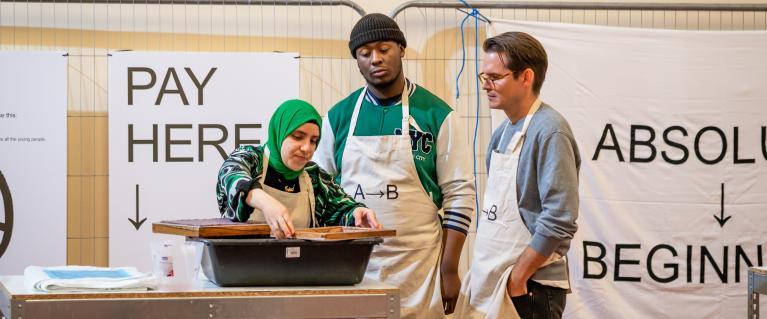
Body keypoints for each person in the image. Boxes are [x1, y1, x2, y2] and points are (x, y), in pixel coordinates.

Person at [314, 13, 476, 318]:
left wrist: (450, 269)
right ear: (357, 60)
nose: (375, 59)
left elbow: (460, 195)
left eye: (384, 48)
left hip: (419, 270)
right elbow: (319, 190)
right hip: (354, 268)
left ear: (401, 49)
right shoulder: (338, 117)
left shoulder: (437, 115)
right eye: (365, 53)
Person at [455, 32, 581, 319]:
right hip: (494, 280)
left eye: (495, 77)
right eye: (483, 77)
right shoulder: (502, 133)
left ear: (526, 77)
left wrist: (519, 278)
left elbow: (560, 218)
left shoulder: (551, 131)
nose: (486, 85)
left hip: (530, 289)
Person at [216, 99, 381, 238]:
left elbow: (340, 207)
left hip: (300, 270)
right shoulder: (251, 158)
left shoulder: (314, 177)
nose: (306, 148)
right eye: (298, 137)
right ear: (279, 132)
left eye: (313, 140)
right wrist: (266, 203)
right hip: (242, 268)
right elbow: (231, 176)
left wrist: (356, 212)